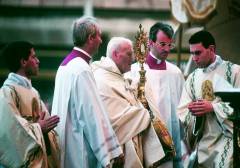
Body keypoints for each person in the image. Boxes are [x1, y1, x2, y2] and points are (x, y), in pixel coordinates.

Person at [51, 16, 123, 168]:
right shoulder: (81, 69)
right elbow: (92, 114)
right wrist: (110, 153)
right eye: (99, 36)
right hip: (78, 146)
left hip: (64, 141)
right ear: (90, 38)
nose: (101, 41)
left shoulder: (65, 65)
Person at [92, 37, 167, 167]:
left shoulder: (117, 76)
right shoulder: (101, 79)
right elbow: (113, 119)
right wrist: (144, 113)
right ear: (116, 54)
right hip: (117, 152)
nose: (133, 58)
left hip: (131, 144)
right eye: (129, 54)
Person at [177, 30, 240, 167]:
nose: (194, 58)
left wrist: (212, 107)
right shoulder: (192, 79)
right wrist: (195, 113)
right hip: (203, 142)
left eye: (197, 53)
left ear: (211, 49)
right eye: (192, 53)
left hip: (228, 140)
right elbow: (182, 111)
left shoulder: (235, 72)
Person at [126, 22, 185, 168]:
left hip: (170, 138)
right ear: (150, 43)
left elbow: (182, 110)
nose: (166, 49)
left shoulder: (175, 73)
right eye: (162, 44)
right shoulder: (133, 72)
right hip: (144, 137)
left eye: (170, 45)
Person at [0, 41, 60, 168]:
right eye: (33, 57)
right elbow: (9, 133)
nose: (38, 61)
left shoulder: (34, 92)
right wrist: (39, 128)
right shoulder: (7, 92)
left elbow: (47, 126)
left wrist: (45, 129)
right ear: (23, 62)